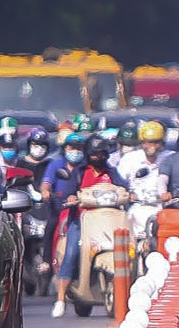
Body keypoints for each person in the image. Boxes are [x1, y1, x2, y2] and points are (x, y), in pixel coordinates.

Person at [49, 136, 126, 317]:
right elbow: (68, 191)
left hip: (108, 219)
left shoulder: (112, 173)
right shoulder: (80, 172)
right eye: (93, 154)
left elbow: (123, 188)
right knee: (73, 251)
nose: (97, 157)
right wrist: (70, 198)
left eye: (100, 154)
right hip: (83, 220)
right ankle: (60, 299)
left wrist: (131, 194)